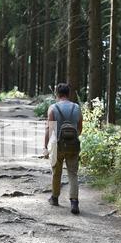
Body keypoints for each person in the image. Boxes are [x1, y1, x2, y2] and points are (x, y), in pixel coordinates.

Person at [44, 83, 83, 215]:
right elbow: (80, 129)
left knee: (56, 172)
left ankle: (55, 198)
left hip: (57, 145)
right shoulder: (77, 107)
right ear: (69, 94)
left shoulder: (53, 108)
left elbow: (49, 129)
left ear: (57, 94)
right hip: (73, 145)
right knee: (73, 173)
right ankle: (74, 202)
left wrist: (45, 146)